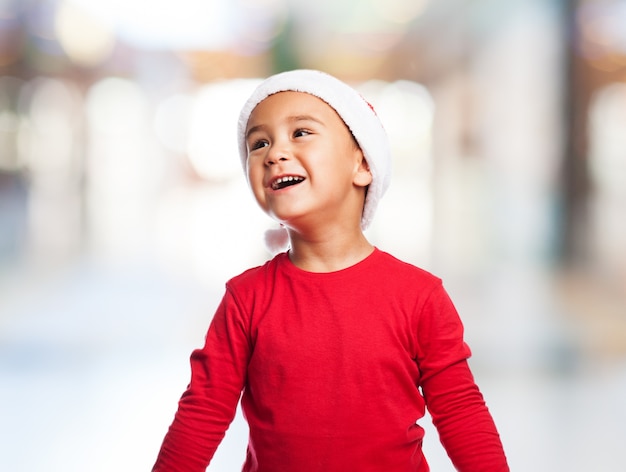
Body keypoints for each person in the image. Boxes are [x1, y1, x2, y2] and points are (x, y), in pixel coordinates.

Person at [152, 69, 509, 471]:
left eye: (301, 133)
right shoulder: (246, 298)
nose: (274, 153)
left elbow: (460, 411)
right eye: (259, 143)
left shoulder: (418, 296)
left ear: (363, 165)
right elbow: (203, 411)